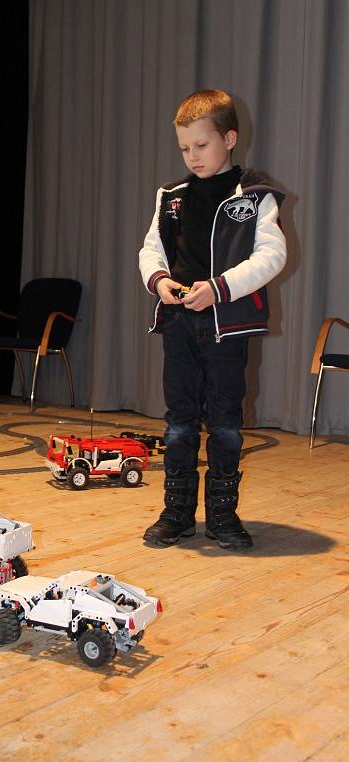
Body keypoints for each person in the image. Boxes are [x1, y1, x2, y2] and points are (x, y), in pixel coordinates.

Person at [139, 89, 286, 550]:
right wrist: (159, 281)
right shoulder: (172, 196)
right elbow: (151, 250)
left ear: (229, 138)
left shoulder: (255, 196)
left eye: (201, 146)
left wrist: (219, 288)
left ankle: (223, 516)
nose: (192, 156)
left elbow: (272, 254)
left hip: (228, 325)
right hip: (180, 323)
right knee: (179, 422)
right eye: (185, 148)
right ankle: (177, 513)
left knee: (224, 422)